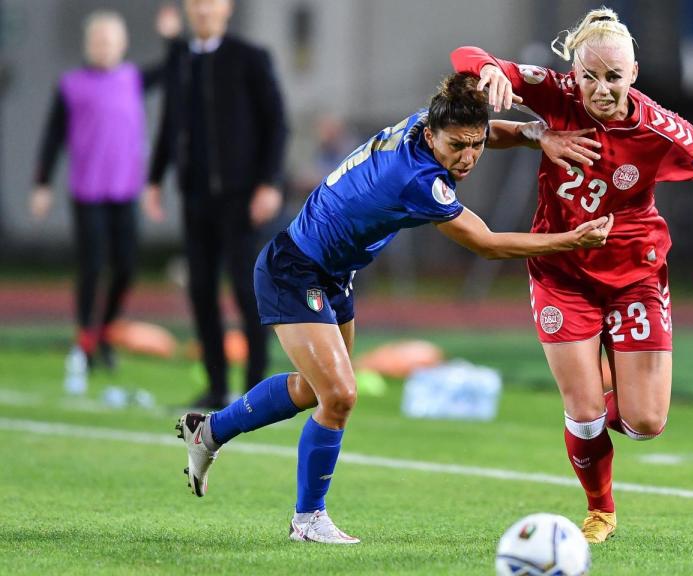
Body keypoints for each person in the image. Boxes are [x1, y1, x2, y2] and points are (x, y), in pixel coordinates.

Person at [173, 73, 614, 544]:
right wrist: (570, 241)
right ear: (431, 137)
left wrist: (534, 134)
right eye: (457, 147)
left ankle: (210, 430)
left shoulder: (429, 121)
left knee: (315, 391)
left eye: (475, 146)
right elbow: (486, 243)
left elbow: (488, 130)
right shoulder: (416, 179)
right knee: (340, 395)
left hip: (333, 273)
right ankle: (307, 520)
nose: (467, 158)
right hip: (294, 269)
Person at [451, 7, 693, 543]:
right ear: (576, 72)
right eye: (590, 76)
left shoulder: (658, 126)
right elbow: (465, 57)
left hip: (636, 274)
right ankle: (600, 509)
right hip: (562, 272)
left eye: (614, 77)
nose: (601, 88)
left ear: (633, 74)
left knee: (646, 424)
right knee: (584, 415)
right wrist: (489, 69)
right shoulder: (555, 94)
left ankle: (601, 396)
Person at [145, 0, 288, 409]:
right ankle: (216, 385)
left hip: (243, 199)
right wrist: (155, 179)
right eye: (196, 3)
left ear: (228, 8)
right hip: (195, 198)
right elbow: (170, 125)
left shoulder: (250, 58)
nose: (203, 9)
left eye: (211, 2)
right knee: (201, 291)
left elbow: (277, 123)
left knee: (248, 290)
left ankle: (257, 388)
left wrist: (269, 182)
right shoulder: (182, 63)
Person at [31, 9, 171, 369]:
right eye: (97, 40)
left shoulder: (133, 79)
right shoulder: (71, 85)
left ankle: (106, 332)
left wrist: (171, 37)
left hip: (124, 190)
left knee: (126, 266)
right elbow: (52, 136)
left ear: (122, 44)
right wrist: (42, 182)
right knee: (92, 267)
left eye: (110, 40)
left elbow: (177, 65)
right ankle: (85, 341)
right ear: (88, 44)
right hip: (88, 191)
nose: (103, 46)